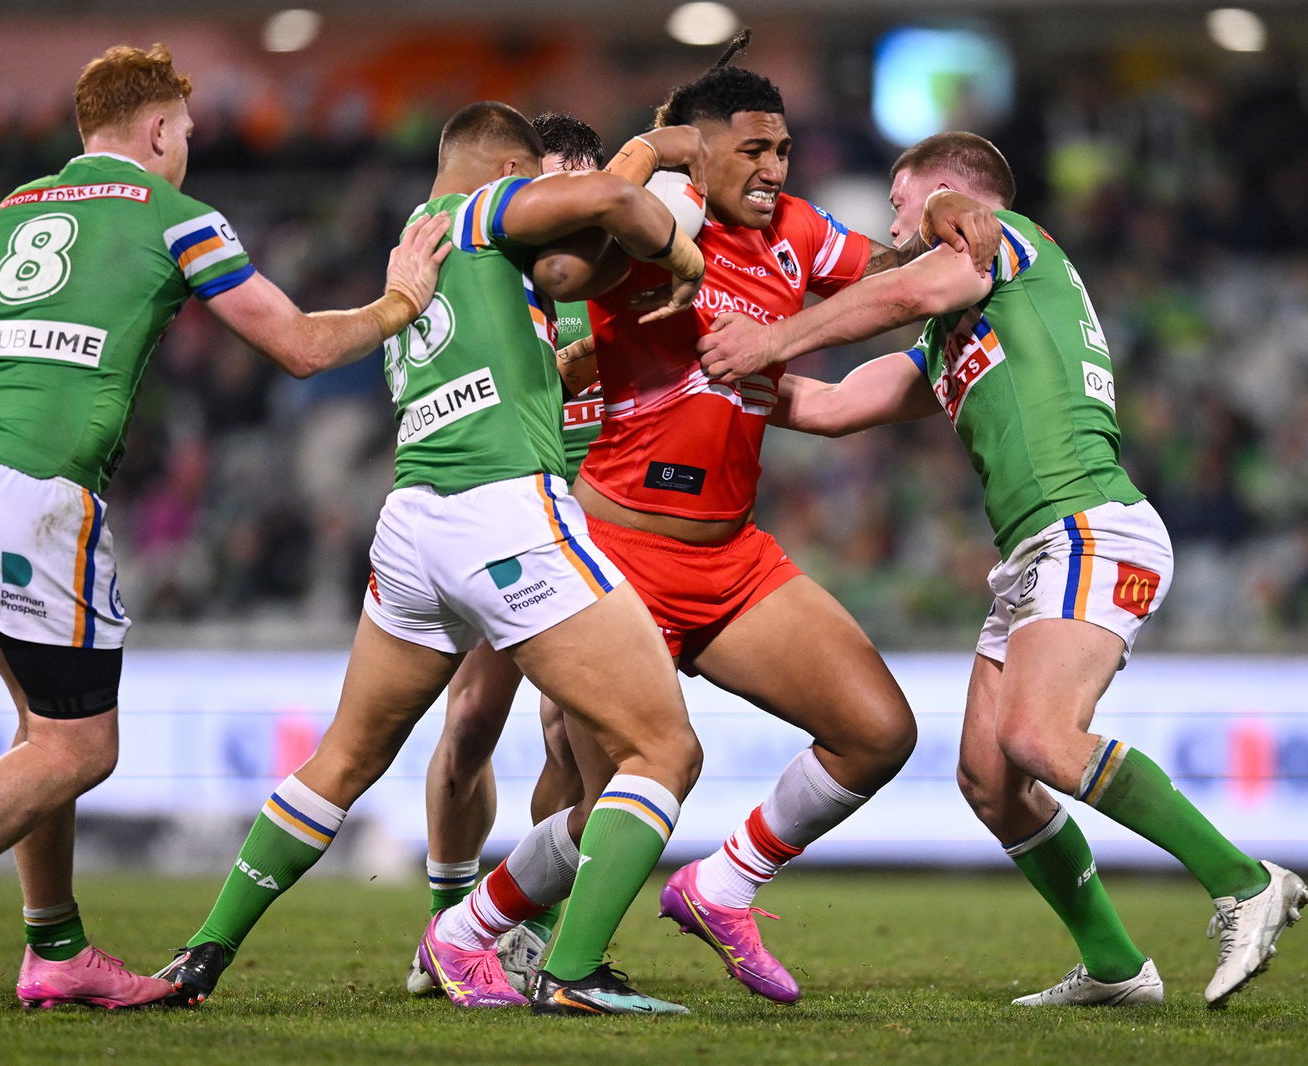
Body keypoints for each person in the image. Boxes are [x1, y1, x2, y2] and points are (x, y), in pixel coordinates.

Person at [0, 43, 450, 1018]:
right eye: (185, 133)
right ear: (158, 130)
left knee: (42, 732)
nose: (187, 149)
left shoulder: (7, 211)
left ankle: (55, 946)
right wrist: (401, 299)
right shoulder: (176, 215)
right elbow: (299, 346)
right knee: (81, 751)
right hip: (33, 494)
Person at [432, 45, 997, 1007]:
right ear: (699, 157)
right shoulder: (649, 231)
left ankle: (721, 885)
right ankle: (490, 935)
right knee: (607, 790)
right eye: (752, 151)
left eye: (782, 149)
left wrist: (947, 217)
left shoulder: (799, 235)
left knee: (877, 731)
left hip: (730, 556)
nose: (774, 168)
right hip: (619, 552)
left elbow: (896, 269)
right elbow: (563, 270)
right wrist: (642, 164)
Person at [697, 130, 1308, 1008]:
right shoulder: (955, 329)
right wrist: (702, 365)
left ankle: (1245, 881)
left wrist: (774, 336)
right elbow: (830, 405)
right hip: (1037, 547)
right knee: (991, 779)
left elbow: (904, 285)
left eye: (905, 203)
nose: (898, 224)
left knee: (1038, 739)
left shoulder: (1010, 242)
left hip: (1090, 524)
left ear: (952, 194)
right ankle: (1114, 967)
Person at [155, 100, 710, 1017]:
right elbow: (616, 195)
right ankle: (559, 968)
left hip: (413, 524)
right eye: (528, 181)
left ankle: (203, 952)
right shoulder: (479, 214)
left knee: (343, 758)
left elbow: (497, 369)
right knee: (662, 747)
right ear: (502, 174)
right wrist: (674, 217)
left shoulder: (420, 251)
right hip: (504, 515)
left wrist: (574, 358)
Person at [405, 113, 605, 1000]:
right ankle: (447, 920)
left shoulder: (607, 277)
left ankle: (524, 933)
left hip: (590, 519)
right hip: (502, 516)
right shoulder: (486, 264)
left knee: (574, 734)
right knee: (470, 725)